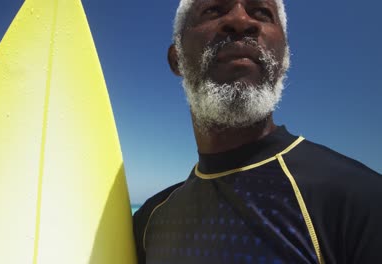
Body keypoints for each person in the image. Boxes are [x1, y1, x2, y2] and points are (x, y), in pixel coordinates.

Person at [132, 0, 382, 263]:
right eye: (213, 10)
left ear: (284, 57)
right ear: (177, 59)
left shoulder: (361, 202)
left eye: (261, 12)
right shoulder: (151, 219)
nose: (241, 20)